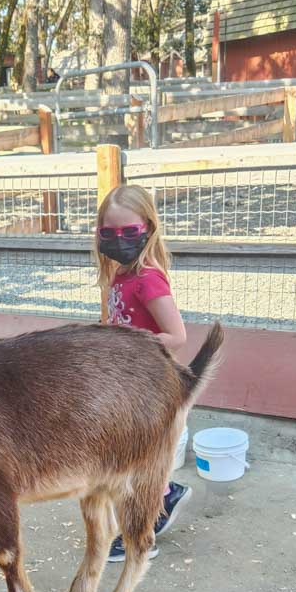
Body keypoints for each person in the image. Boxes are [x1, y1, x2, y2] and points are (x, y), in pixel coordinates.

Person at [95, 183, 192, 563]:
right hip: (127, 381)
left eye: (129, 231)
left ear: (148, 229)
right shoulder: (120, 274)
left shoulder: (148, 279)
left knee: (133, 464)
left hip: (148, 385)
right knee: (130, 460)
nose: (119, 240)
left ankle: (141, 534)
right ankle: (166, 495)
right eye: (109, 233)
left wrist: (130, 346)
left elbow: (177, 336)